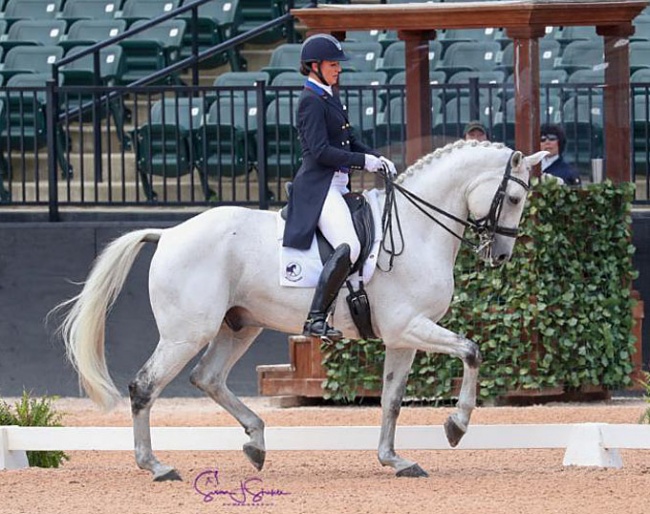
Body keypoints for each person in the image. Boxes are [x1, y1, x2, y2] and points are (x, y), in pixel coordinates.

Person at [282, 33, 397, 341]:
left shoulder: (327, 96)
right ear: (314, 66)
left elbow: (349, 141)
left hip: (338, 185)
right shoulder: (310, 101)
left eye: (337, 64)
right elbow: (320, 152)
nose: (338, 69)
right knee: (350, 244)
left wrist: (376, 158)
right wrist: (363, 162)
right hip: (320, 188)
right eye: (333, 64)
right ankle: (316, 319)